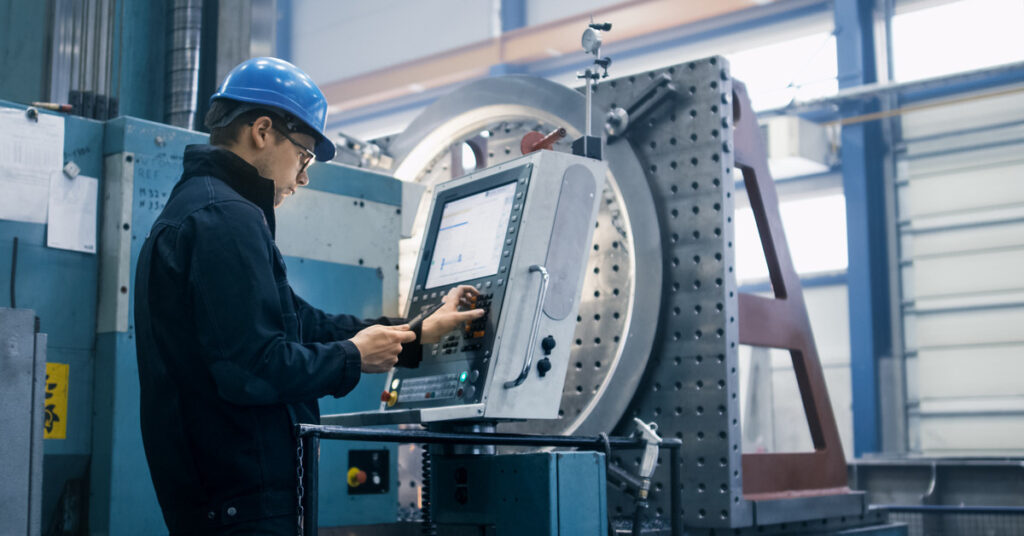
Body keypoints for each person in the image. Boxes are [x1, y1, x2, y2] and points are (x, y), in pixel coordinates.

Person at [133, 57, 484, 535]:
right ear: (262, 131)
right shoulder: (224, 219)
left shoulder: (202, 210)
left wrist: (419, 332)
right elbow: (253, 369)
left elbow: (303, 323)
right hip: (242, 501)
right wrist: (351, 358)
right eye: (303, 156)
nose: (303, 178)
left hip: (224, 501)